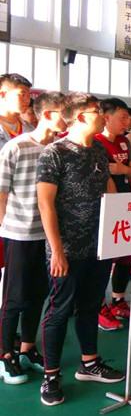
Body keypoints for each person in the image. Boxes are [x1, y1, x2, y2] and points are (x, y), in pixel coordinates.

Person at [37, 92, 125, 406]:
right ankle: (51, 376)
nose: (103, 115)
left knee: (90, 306)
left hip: (97, 246)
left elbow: (109, 189)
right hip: (67, 249)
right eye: (97, 110)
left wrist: (117, 231)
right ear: (80, 117)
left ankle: (89, 363)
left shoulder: (99, 149)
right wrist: (57, 251)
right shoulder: (55, 152)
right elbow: (45, 204)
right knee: (59, 311)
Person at [0, 92, 66, 385]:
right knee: (14, 297)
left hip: (48, 235)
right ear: (48, 115)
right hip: (19, 234)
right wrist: (7, 227)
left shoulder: (59, 149)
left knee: (39, 293)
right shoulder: (16, 147)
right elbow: (1, 193)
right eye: (64, 113)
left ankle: (27, 348)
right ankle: (5, 354)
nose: (69, 119)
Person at [95, 98, 131, 328]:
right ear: (106, 118)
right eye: (122, 118)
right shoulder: (96, 142)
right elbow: (103, 175)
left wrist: (122, 168)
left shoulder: (124, 141)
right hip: (104, 206)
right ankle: (98, 306)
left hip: (125, 203)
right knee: (103, 259)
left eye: (128, 119)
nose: (127, 122)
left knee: (126, 255)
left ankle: (118, 300)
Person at [0, 74, 33, 287]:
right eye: (22, 94)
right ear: (3, 94)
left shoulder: (30, 129)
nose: (27, 99)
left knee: (15, 274)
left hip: (22, 210)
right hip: (2, 204)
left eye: (28, 95)